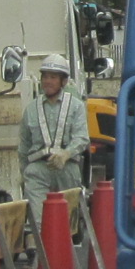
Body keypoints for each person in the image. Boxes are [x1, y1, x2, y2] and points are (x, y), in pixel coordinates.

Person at [20, 52, 89, 247]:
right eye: (45, 76)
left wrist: (66, 154)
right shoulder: (31, 109)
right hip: (38, 169)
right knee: (39, 223)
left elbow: (82, 138)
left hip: (67, 167)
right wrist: (23, 173)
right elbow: (24, 145)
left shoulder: (76, 107)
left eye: (53, 77)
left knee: (66, 224)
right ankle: (41, 257)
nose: (48, 81)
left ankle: (63, 256)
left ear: (63, 81)